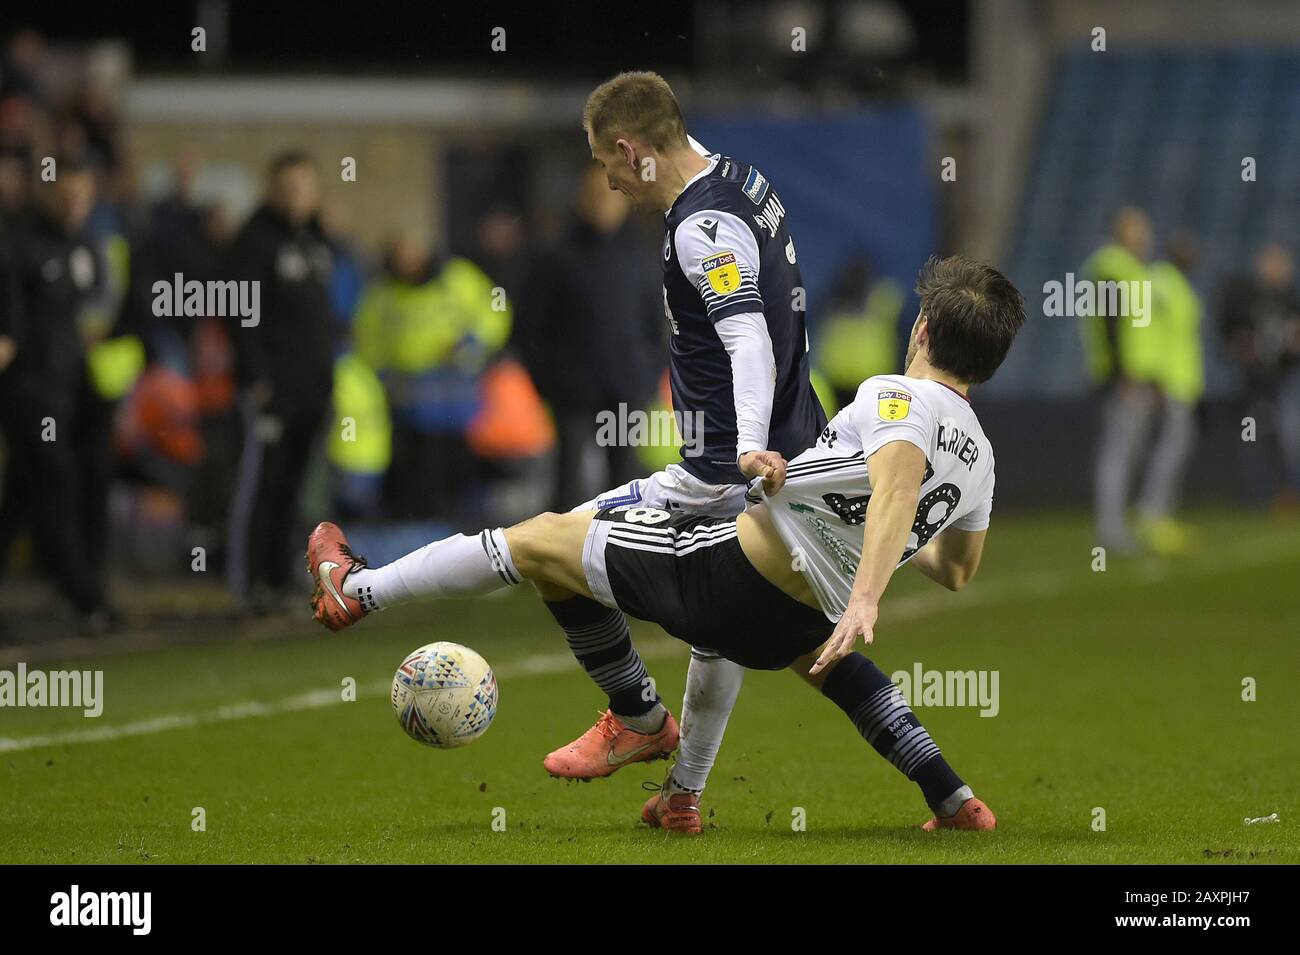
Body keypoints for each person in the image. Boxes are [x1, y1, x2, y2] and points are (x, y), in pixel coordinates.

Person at [307, 254, 1027, 833]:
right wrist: (876, 538)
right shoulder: (984, 458)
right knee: (821, 660)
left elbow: (898, 487)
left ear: (924, 328)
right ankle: (944, 795)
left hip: (730, 574)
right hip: (793, 618)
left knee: (538, 543)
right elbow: (957, 569)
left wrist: (868, 589)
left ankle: (359, 591)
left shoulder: (896, 395)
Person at [516, 71, 828, 826]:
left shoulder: (697, 224)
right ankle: (681, 795)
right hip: (789, 452)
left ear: (630, 149)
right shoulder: (743, 178)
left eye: (605, 163)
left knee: (537, 545)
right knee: (744, 631)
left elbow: (746, 334)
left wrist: (746, 446)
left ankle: (362, 588)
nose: (609, 183)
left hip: (736, 464)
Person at [225, 151, 336, 612]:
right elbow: (239, 313)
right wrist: (255, 377)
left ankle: (278, 577)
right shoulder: (254, 241)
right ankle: (247, 583)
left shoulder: (315, 240)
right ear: (271, 190)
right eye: (288, 188)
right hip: (271, 390)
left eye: (303, 188)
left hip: (311, 388)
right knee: (261, 485)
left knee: (293, 487)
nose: (296, 197)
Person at [516, 164, 663, 510]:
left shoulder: (642, 259)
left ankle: (623, 554)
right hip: (572, 394)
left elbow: (657, 326)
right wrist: (548, 382)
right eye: (594, 195)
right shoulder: (555, 258)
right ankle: (564, 560)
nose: (602, 203)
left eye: (611, 195)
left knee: (626, 485)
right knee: (567, 485)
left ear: (626, 202)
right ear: (580, 199)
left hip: (626, 390)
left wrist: (646, 375)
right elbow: (528, 328)